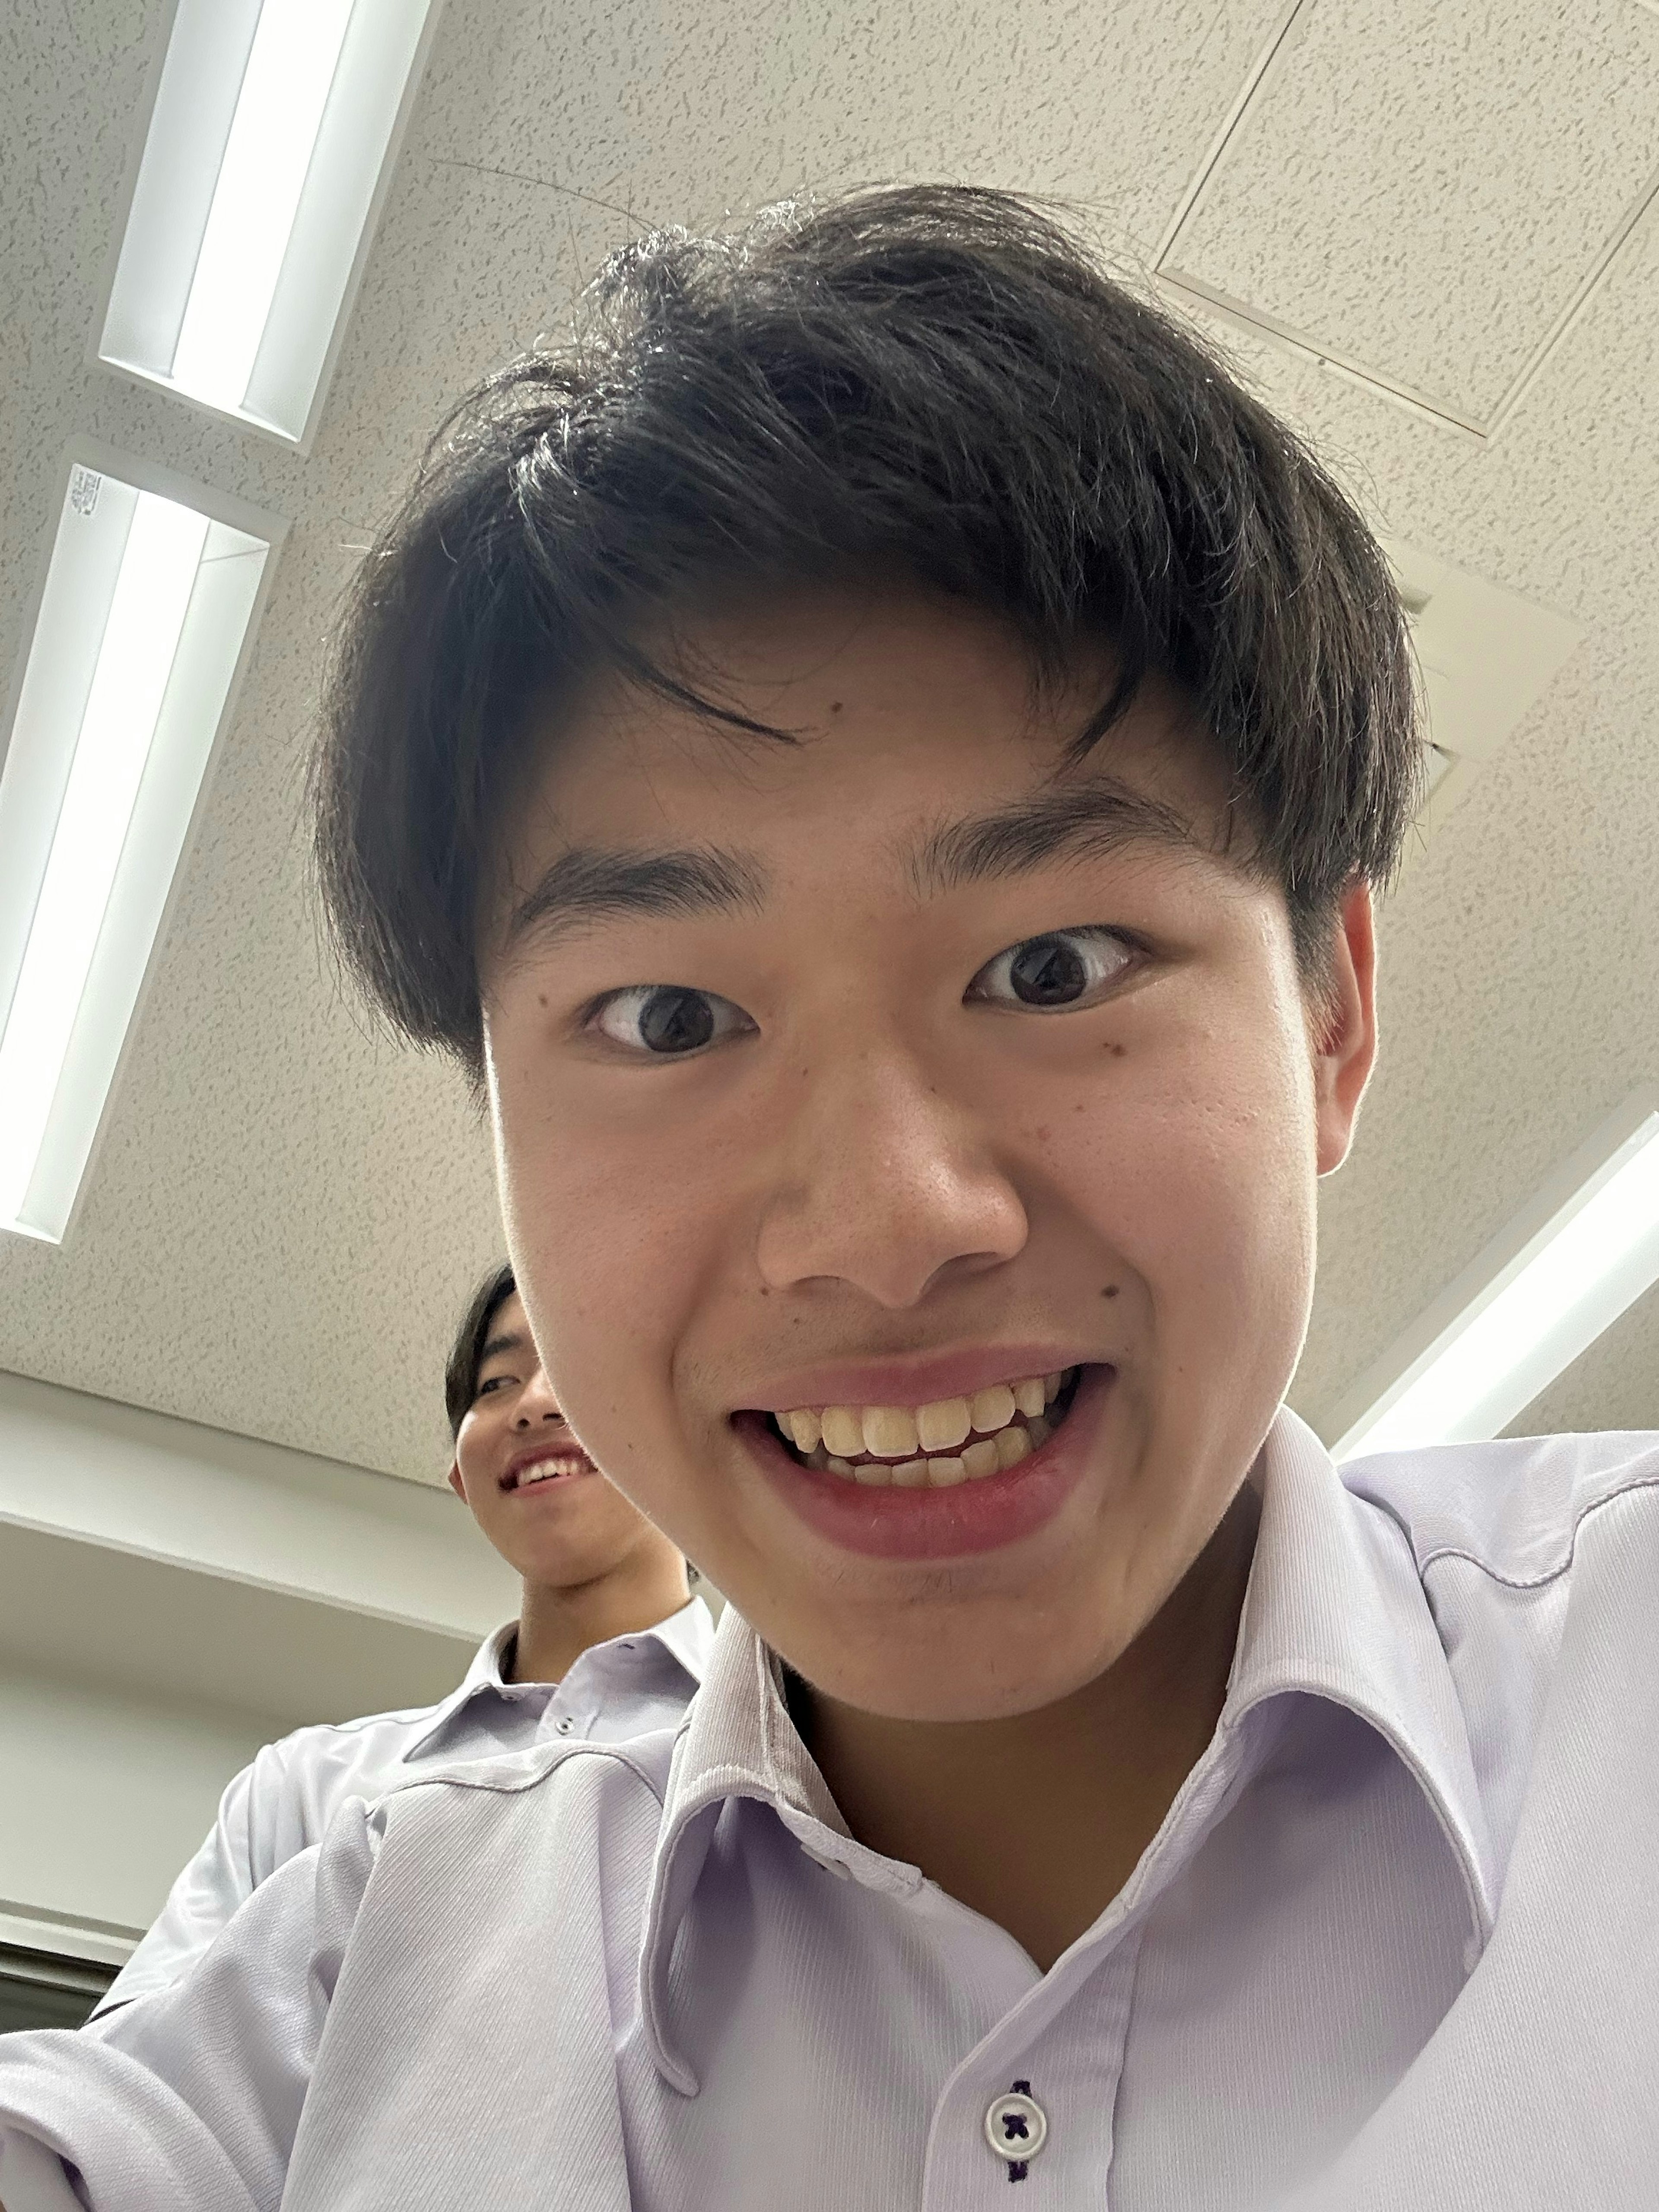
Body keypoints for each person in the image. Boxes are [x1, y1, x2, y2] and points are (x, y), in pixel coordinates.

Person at [1, 184, 1654, 2211]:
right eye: (671, 1010)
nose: (884, 1221)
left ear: (1329, 1013)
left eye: (1053, 966)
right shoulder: (367, 1919)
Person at [84, 1261, 711, 2022]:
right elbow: (134, 2080)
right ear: (461, 1478)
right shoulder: (304, 1791)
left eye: (582, 1362)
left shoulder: (811, 1751)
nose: (535, 1404)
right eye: (495, 1384)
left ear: (690, 1427)